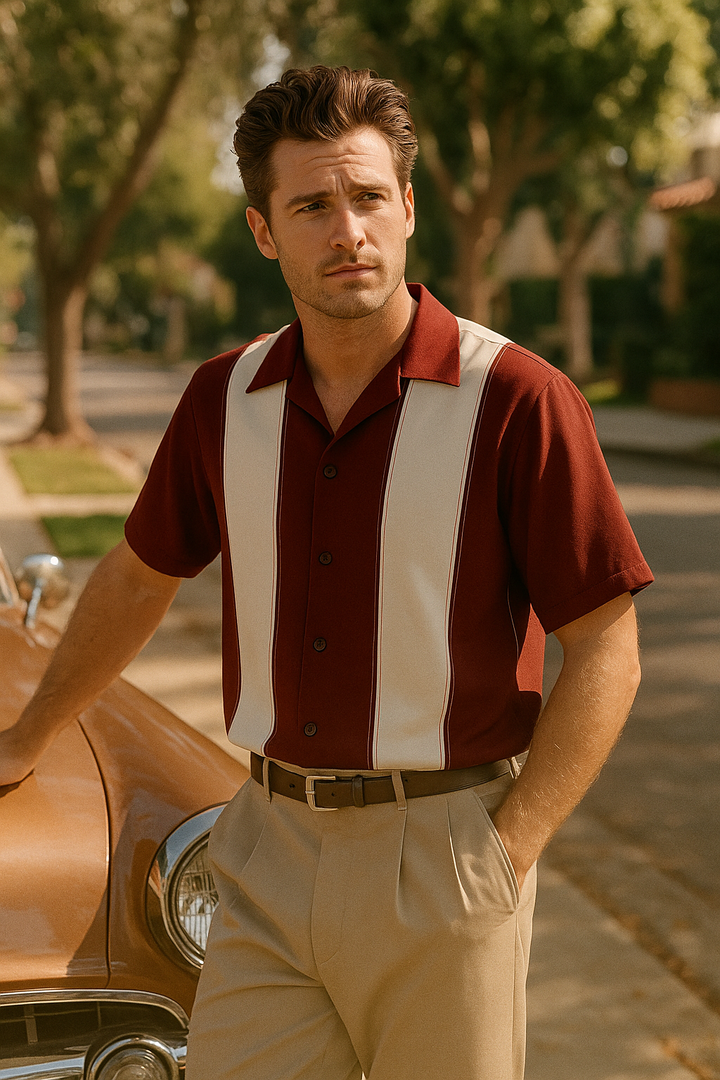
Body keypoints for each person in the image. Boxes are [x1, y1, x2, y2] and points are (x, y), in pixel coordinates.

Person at [1, 66, 652, 1080]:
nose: (345, 229)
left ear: (405, 206)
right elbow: (137, 579)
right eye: (311, 205)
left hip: (444, 853)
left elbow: (606, 644)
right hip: (263, 851)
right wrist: (28, 735)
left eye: (365, 197)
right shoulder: (227, 398)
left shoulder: (517, 398)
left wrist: (509, 850)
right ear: (266, 231)